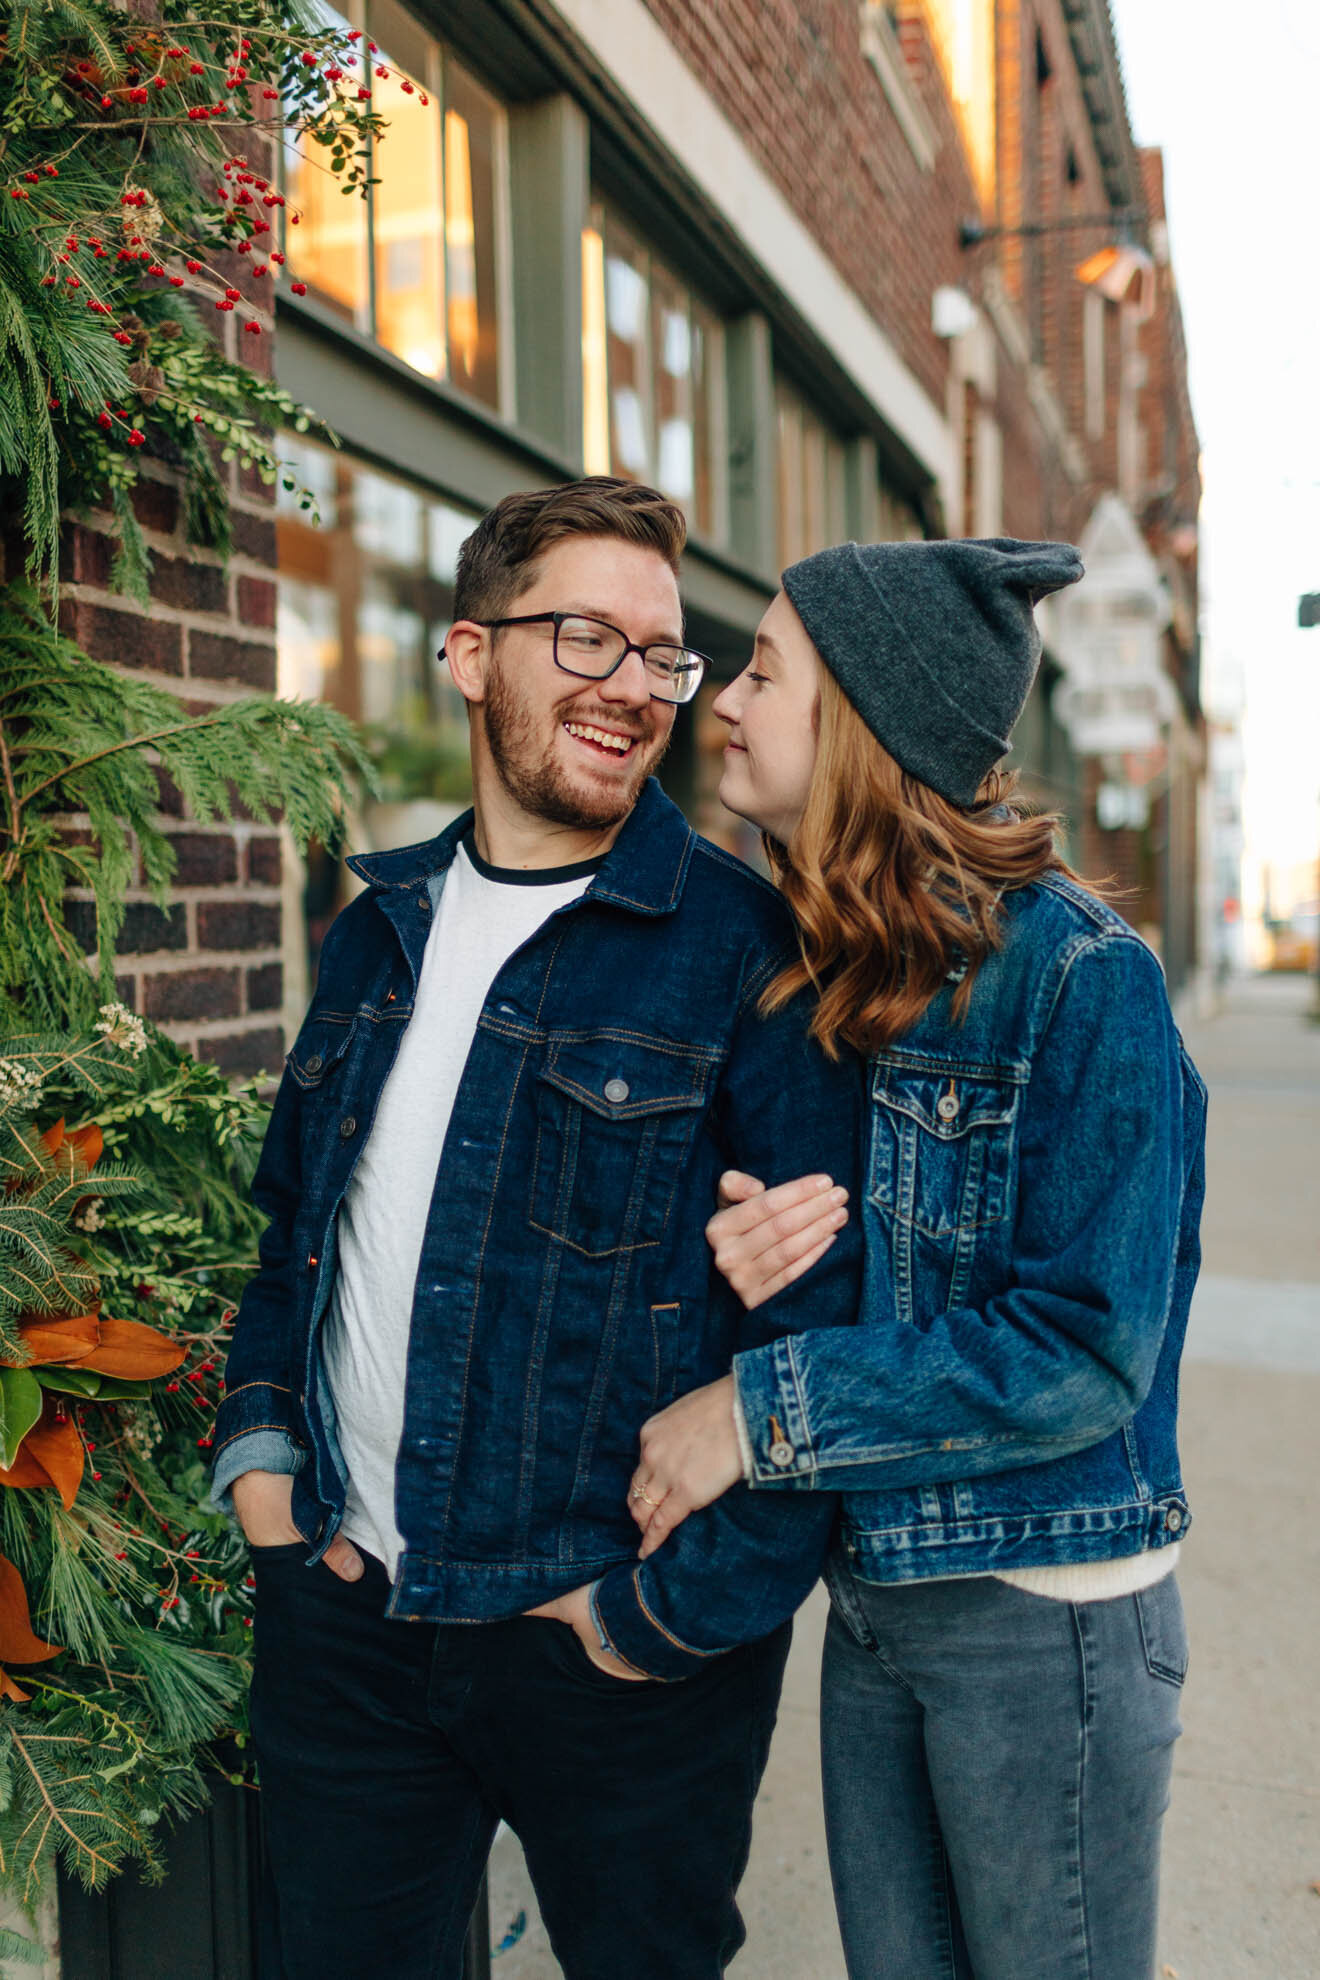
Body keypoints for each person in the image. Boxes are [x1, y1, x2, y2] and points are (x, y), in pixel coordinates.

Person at [210, 477, 865, 1980]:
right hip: (352, 1615)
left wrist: (661, 1618)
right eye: (587, 640)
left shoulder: (746, 957)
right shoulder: (376, 928)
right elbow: (297, 1234)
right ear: (470, 654)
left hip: (609, 1653)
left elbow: (824, 1340)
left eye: (661, 655)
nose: (634, 688)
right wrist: (263, 1470)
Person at [627, 536, 1207, 1980]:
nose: (724, 704)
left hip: (1043, 1619)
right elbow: (866, 1269)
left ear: (867, 728)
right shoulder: (838, 965)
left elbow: (1082, 1350)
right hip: (879, 1596)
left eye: (765, 672)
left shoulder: (1083, 980)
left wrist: (756, 1416)